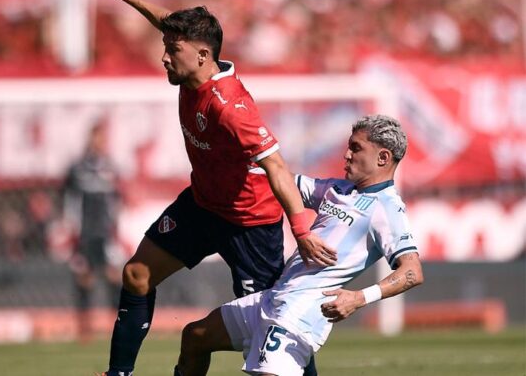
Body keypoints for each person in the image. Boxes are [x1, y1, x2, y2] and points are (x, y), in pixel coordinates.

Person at [100, 0, 337, 376]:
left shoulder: (230, 107)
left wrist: (301, 229)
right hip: (203, 205)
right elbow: (167, 22)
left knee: (274, 323)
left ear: (202, 55)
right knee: (137, 275)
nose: (164, 57)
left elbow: (276, 166)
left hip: (249, 224)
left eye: (172, 50)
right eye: (166, 47)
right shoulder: (190, 66)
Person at [175, 115, 424, 376]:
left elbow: (412, 271)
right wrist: (243, 159)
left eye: (356, 148)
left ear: (383, 158)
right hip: (274, 298)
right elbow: (284, 181)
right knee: (195, 337)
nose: (347, 154)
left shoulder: (387, 208)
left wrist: (360, 297)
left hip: (300, 313)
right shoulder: (339, 189)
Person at [63, 119, 123, 341]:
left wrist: (117, 226)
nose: (99, 143)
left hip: (106, 232)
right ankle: (84, 328)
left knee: (114, 275)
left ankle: (120, 325)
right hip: (85, 232)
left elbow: (117, 200)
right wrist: (71, 227)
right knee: (84, 276)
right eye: (96, 138)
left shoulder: (110, 167)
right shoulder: (77, 168)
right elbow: (69, 198)